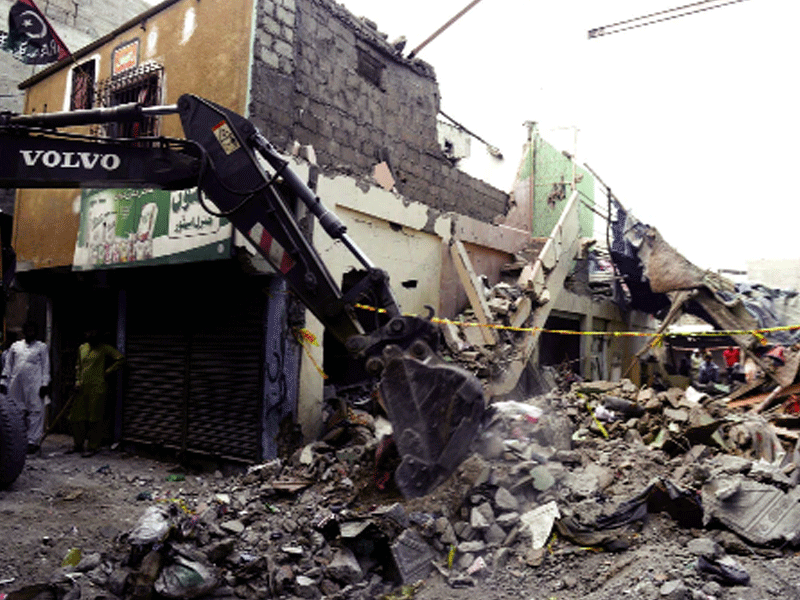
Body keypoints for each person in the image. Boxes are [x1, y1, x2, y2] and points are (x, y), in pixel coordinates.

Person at [69, 328, 125, 457]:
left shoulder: (105, 348)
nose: (89, 334)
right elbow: (78, 366)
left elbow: (120, 359)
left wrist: (107, 372)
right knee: (76, 417)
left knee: (95, 418)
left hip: (97, 387)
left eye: (92, 332)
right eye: (88, 332)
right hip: (82, 387)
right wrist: (77, 381)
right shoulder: (82, 348)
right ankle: (78, 445)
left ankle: (93, 447)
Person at [0, 322, 50, 454]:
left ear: (36, 332)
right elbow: (8, 366)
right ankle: (19, 440)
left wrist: (45, 383)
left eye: (33, 330)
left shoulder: (41, 347)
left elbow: (45, 366)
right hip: (16, 384)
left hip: (35, 384)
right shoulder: (15, 347)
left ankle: (32, 441)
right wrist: (3, 381)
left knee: (36, 411)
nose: (30, 332)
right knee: (17, 411)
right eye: (28, 330)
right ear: (24, 331)